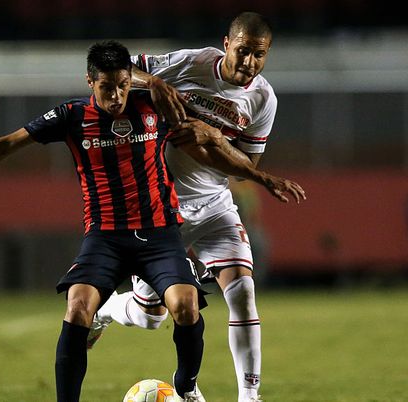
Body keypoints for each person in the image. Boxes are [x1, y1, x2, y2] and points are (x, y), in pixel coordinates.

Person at [0, 40, 274, 402]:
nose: (117, 96)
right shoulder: (71, 116)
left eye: (122, 85)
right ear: (90, 81)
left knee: (184, 305)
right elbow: (7, 144)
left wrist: (257, 174)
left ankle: (186, 389)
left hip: (160, 234)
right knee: (78, 306)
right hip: (105, 237)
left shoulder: (154, 107)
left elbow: (206, 148)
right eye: (107, 87)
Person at [88, 12, 306, 402]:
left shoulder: (263, 99)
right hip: (159, 208)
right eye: (242, 51)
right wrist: (152, 81)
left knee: (242, 292)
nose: (248, 63)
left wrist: (213, 137)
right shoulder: (193, 63)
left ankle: (249, 397)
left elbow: (245, 166)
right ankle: (105, 310)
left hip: (214, 204)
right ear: (227, 44)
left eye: (259, 55)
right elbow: (118, 69)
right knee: (150, 316)